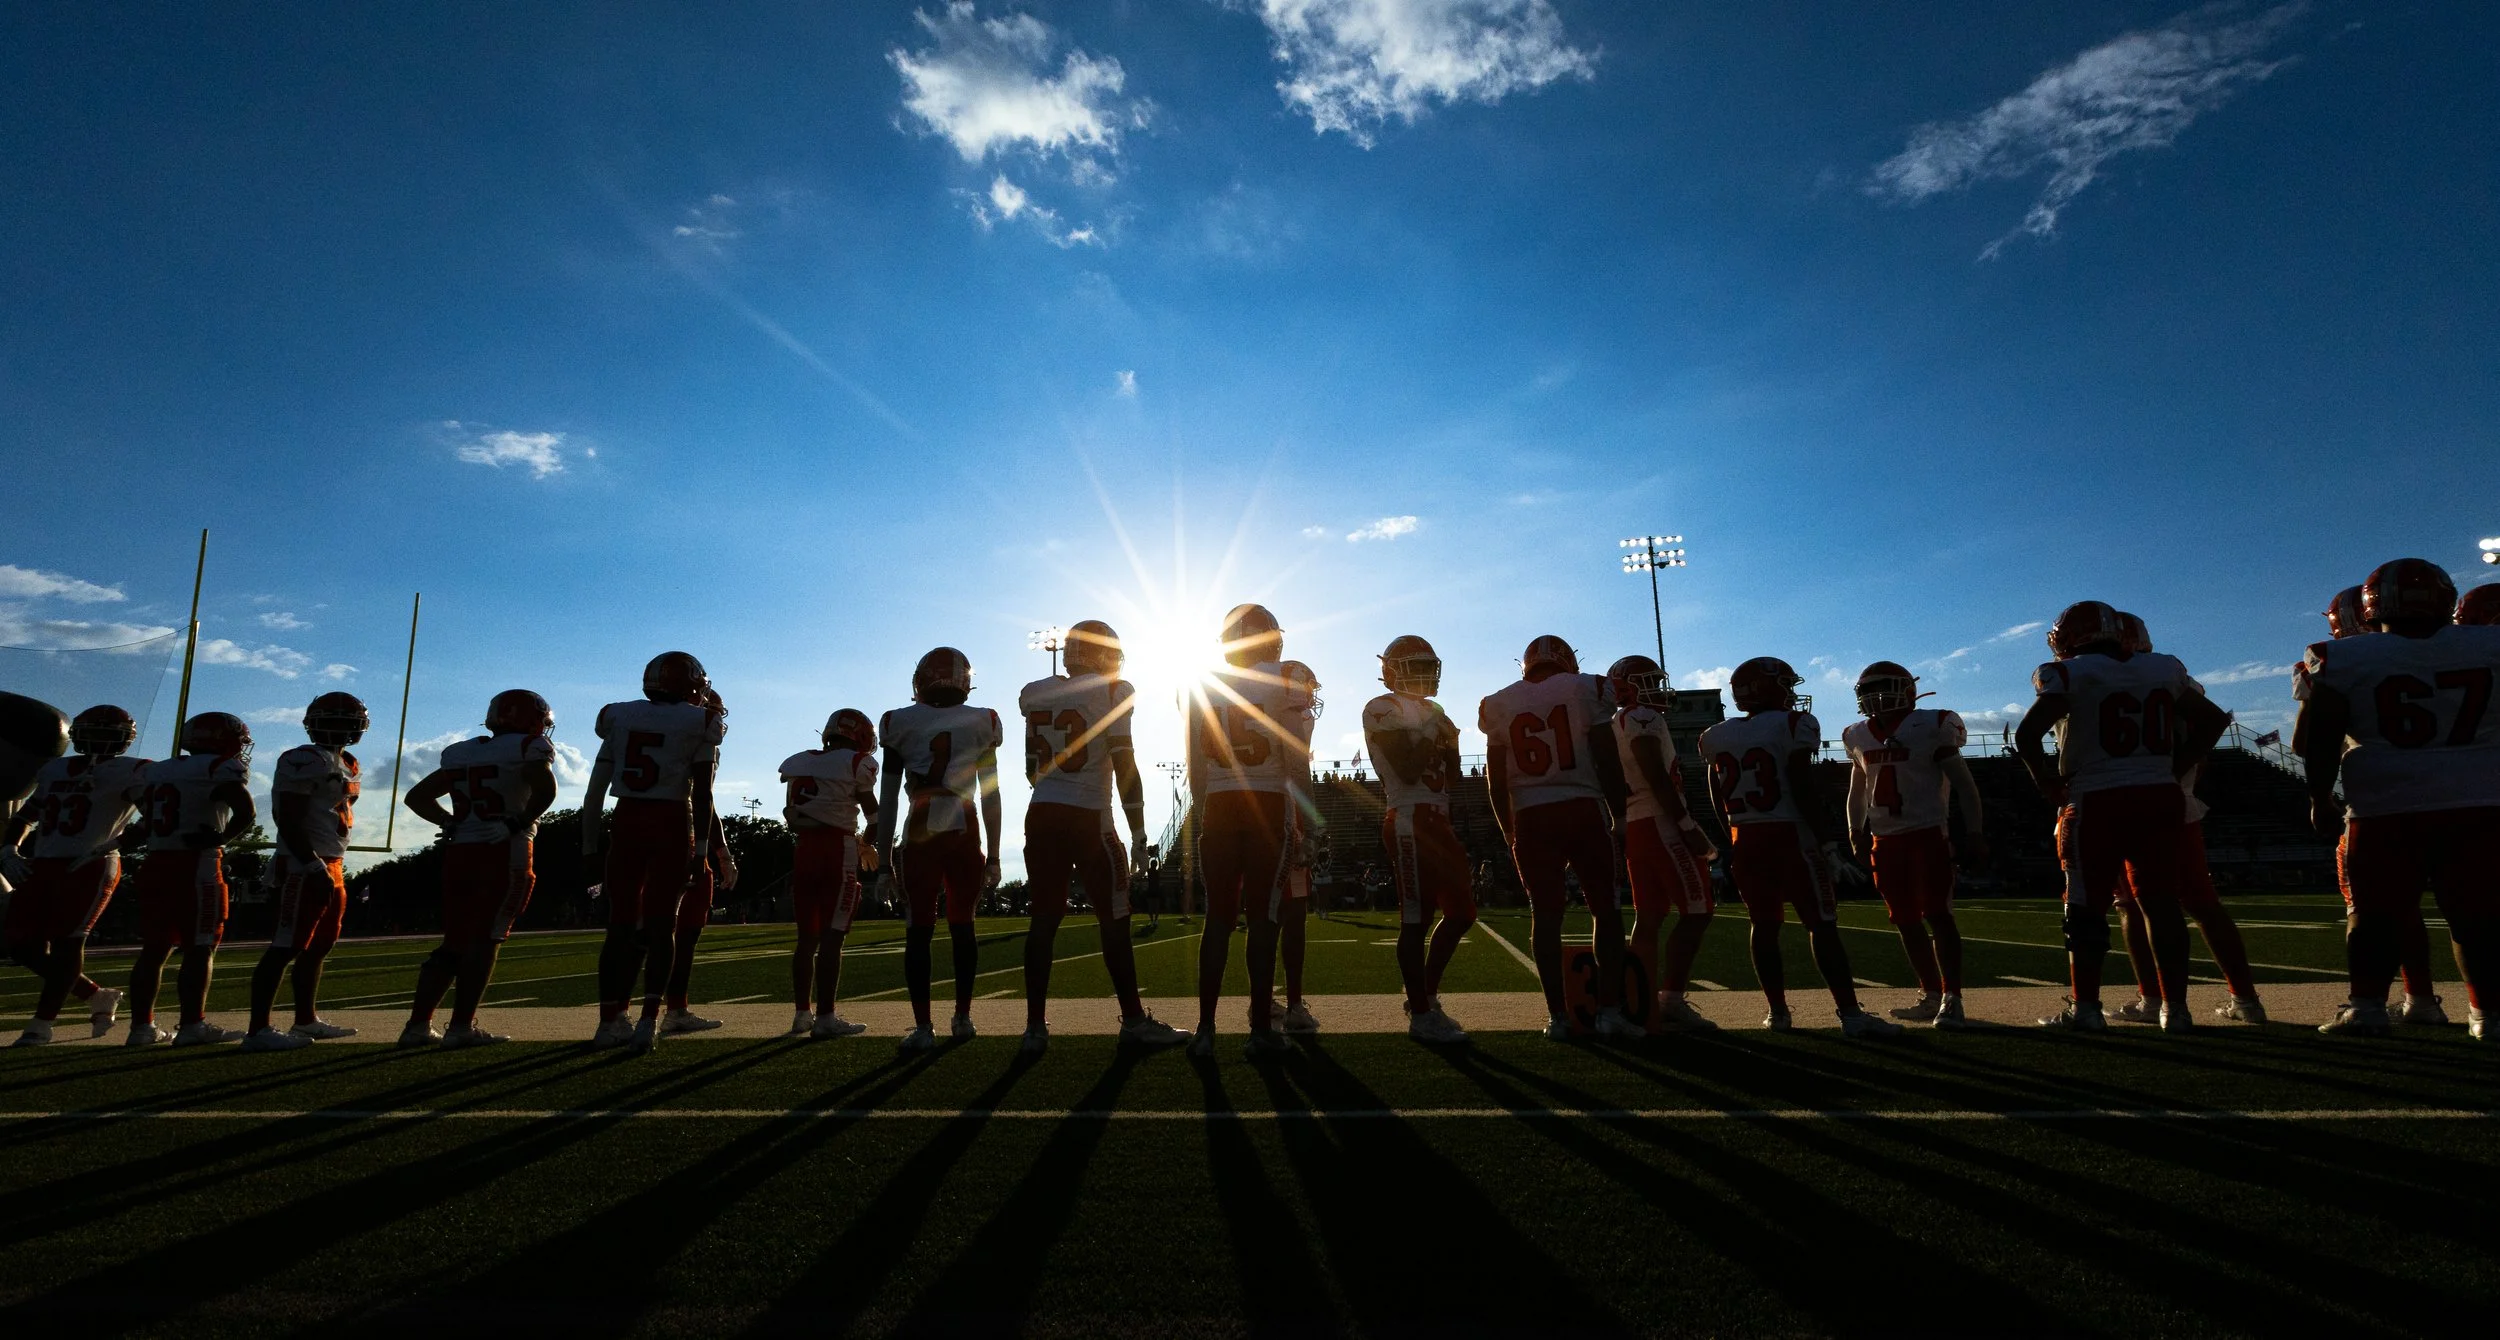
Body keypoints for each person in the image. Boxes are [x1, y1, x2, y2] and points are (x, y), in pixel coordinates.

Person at [2300, 559, 2500, 1040]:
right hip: (2479, 799)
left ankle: (2368, 1006)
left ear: (2372, 606)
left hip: (2386, 804)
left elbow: (2319, 737)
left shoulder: (2340, 657)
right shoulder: (2489, 644)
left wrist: (2320, 797)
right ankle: (2488, 1015)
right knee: (2477, 916)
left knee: (2375, 916)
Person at [2018, 602, 2229, 1032]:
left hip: (2097, 798)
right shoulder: (2162, 668)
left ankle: (2087, 1009)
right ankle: (2176, 1010)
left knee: (2085, 908)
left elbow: (2027, 734)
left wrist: (2044, 780)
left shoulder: (2067, 673)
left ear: (2068, 637)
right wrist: (2173, 766)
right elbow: (2212, 720)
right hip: (2158, 796)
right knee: (2161, 904)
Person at [1702, 658, 1901, 1037]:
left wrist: (1732, 827)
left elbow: (1715, 790)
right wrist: (1826, 841)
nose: (1793, 693)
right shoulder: (1794, 724)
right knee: (1822, 925)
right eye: (1786, 685)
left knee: (1763, 925)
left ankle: (1777, 1012)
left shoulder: (1716, 734)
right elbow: (1799, 780)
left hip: (1744, 836)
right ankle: (1851, 1015)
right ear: (1770, 687)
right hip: (1790, 835)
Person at [1016, 621, 1189, 1053]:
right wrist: (1140, 832)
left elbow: (1030, 765)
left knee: (1043, 921)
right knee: (1114, 919)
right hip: (1088, 815)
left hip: (1040, 811)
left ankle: (1034, 1027)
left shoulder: (1035, 692)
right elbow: (1125, 765)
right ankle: (1132, 1020)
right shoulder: (1114, 691)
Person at [1481, 635, 1638, 1040]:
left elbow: (1495, 779)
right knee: (1605, 910)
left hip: (1532, 815)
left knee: (1546, 917)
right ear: (1567, 660)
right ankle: (1608, 1012)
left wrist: (1507, 826)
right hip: (1582, 807)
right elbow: (1605, 756)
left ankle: (1558, 1017)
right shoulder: (1587, 687)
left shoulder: (1497, 702)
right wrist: (1619, 815)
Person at [2118, 612, 2266, 1024]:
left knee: (2132, 906)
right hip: (2177, 800)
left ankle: (2155, 1001)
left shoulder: (2094, 678)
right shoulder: (2176, 676)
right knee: (2202, 904)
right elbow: (2203, 744)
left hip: (2124, 802)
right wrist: (2179, 774)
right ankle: (2246, 999)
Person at [581, 651, 725, 1055]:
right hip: (671, 822)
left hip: (626, 821)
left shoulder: (618, 715)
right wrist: (701, 851)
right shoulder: (701, 721)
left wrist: (589, 847)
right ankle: (648, 1021)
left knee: (620, 928)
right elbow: (704, 793)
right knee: (663, 927)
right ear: (693, 685)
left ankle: (609, 1022)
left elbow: (594, 791)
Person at [398, 689, 559, 1049]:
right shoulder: (527, 748)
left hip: (462, 851)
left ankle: (417, 1026)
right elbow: (546, 794)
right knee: (487, 941)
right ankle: (461, 1026)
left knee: (454, 941)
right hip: (506, 849)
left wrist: (450, 823)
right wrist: (517, 823)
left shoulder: (462, 752)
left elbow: (417, 797)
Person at [1185, 604, 1307, 1058]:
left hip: (1219, 804)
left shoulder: (1204, 684)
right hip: (1267, 805)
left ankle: (1205, 1030)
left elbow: (1196, 767)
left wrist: (1205, 808)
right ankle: (1259, 1032)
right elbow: (1296, 759)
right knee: (1263, 919)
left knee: (1217, 918)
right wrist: (1308, 825)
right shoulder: (1282, 679)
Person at [1841, 662, 1985, 1029]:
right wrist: (1855, 831)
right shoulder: (1857, 734)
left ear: (1906, 688)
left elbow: (1965, 785)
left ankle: (1952, 997)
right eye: (1867, 688)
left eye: (1883, 686)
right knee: (1905, 921)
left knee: (1938, 915)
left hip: (1926, 832)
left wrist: (1974, 831)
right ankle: (1930, 993)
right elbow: (1856, 792)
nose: (1873, 695)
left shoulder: (1933, 724)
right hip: (1885, 838)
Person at [875, 646, 1004, 1053]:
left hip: (922, 825)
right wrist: (996, 854)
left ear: (921, 680)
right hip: (965, 826)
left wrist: (882, 862)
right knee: (963, 926)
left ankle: (923, 1025)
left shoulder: (899, 722)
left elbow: (890, 799)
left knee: (919, 930)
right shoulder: (982, 721)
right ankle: (962, 1017)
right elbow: (991, 796)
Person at [2, 705, 145, 1045]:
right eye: (92, 733)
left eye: (106, 734)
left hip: (92, 863)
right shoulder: (56, 768)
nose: (97, 741)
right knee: (19, 945)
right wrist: (9, 850)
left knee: (69, 943)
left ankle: (41, 1025)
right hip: (43, 862)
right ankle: (96, 995)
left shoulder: (133, 771)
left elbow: (155, 817)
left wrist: (112, 843)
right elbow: (27, 815)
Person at [241, 692, 369, 1052]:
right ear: (313, 723)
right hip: (304, 862)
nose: (344, 728)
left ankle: (305, 1019)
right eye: (335, 721)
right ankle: (258, 1029)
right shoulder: (303, 758)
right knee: (286, 946)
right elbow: (288, 817)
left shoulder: (347, 762)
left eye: (349, 721)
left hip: (332, 862)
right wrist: (311, 863)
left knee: (318, 947)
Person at [1362, 635, 1475, 1043]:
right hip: (1408, 816)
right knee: (1416, 919)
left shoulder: (1431, 713)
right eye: (1418, 667)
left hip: (1438, 819)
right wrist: (1431, 728)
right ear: (1393, 671)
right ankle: (1422, 1015)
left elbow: (1454, 777)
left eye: (1431, 666)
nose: (1428, 675)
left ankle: (1423, 994)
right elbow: (1408, 770)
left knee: (1462, 913)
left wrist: (1451, 743)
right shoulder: (1382, 707)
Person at [126, 713, 257, 1046]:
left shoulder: (156, 770)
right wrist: (222, 838)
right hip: (195, 864)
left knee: (153, 950)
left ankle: (142, 1028)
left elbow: (147, 821)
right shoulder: (218, 768)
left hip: (155, 861)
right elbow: (246, 813)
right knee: (200, 947)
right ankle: (192, 1025)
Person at [1605, 655, 1718, 1033]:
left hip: (1639, 823)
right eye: (1649, 679)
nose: (1658, 686)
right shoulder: (1641, 717)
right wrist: (1685, 823)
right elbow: (1652, 769)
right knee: (1697, 911)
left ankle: (1640, 999)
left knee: (1649, 917)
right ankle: (1669, 998)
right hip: (1661, 822)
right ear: (1628, 685)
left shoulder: (1616, 722)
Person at [779, 708, 880, 1039]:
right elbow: (875, 818)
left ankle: (800, 1014)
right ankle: (825, 1017)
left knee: (806, 940)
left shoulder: (799, 761)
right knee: (833, 940)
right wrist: (866, 844)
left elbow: (791, 816)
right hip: (839, 851)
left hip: (804, 850)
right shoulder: (857, 764)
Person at [660, 797, 738, 1035]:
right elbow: (705, 801)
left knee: (663, 935)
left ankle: (620, 1015)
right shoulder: (697, 762)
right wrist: (724, 856)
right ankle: (668, 1012)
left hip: (653, 843)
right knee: (671, 936)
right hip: (681, 848)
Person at [1275, 659, 1324, 1035]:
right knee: (1293, 914)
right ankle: (1293, 1003)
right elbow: (1297, 772)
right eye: (1307, 689)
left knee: (1261, 914)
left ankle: (1260, 1003)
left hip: (1242, 810)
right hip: (1284, 814)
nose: (1311, 697)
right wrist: (1309, 830)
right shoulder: (1295, 718)